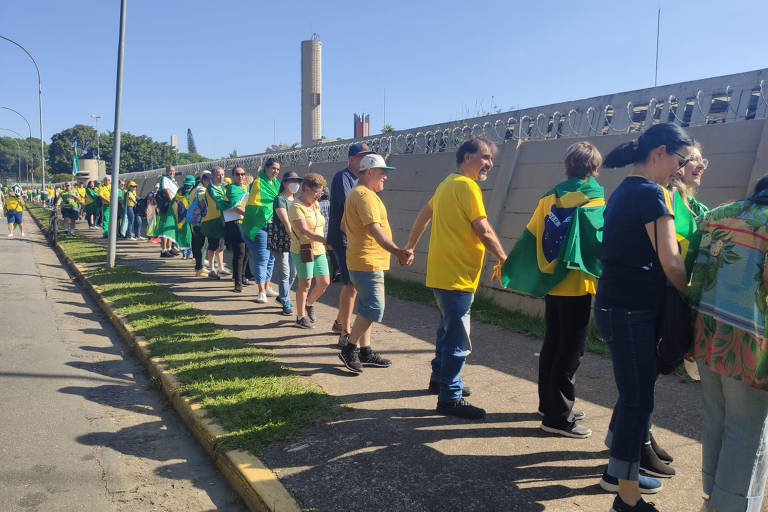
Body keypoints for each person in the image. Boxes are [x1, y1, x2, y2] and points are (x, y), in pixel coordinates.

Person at [594, 123, 694, 512]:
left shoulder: (624, 190)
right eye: (680, 160)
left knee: (632, 393)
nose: (679, 169)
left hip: (616, 305)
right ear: (661, 153)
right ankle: (627, 498)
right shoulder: (652, 194)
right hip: (630, 310)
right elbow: (671, 262)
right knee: (638, 399)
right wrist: (693, 297)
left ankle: (619, 474)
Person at [501, 141, 605, 439]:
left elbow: (532, 235)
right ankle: (559, 418)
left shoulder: (549, 197)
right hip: (577, 282)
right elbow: (597, 240)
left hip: (552, 282)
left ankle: (549, 405)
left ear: (567, 166)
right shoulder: (595, 196)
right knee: (571, 350)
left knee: (552, 344)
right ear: (594, 168)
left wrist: (512, 266)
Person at [404, 136, 507, 420]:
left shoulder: (446, 184)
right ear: (466, 157)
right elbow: (483, 229)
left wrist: (410, 245)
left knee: (446, 330)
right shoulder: (466, 186)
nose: (489, 163)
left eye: (490, 158)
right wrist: (504, 259)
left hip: (442, 273)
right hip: (457, 275)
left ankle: (440, 379)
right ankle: (449, 397)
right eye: (484, 157)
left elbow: (424, 215)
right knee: (458, 340)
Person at [688, 176, 768, 512]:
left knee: (717, 418)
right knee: (747, 430)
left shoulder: (719, 214)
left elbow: (697, 269)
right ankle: (730, 506)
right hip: (751, 344)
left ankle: (713, 496)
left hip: (706, 330)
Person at [337, 154, 411, 373]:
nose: (385, 177)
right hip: (367, 261)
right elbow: (374, 229)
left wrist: (358, 239)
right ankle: (349, 349)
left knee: (366, 306)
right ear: (369, 172)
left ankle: (365, 351)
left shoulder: (359, 194)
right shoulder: (364, 196)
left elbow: (343, 226)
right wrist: (398, 251)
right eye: (382, 172)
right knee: (374, 307)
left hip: (364, 259)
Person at [328, 143, 374, 342]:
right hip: (344, 238)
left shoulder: (363, 180)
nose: (364, 159)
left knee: (351, 285)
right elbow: (350, 205)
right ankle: (345, 333)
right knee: (351, 285)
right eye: (361, 156)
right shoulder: (343, 177)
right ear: (351, 159)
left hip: (357, 239)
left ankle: (340, 322)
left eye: (367, 156)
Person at [289, 173, 330, 328]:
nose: (319, 196)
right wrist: (327, 241)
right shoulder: (296, 206)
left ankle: (310, 303)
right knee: (305, 283)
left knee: (324, 282)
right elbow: (305, 231)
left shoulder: (315, 204)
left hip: (319, 249)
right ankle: (300, 317)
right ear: (306, 189)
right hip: (303, 250)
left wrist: (324, 242)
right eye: (316, 192)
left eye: (320, 192)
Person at [242, 157, 281, 303]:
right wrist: (268, 216)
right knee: (262, 258)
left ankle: (267, 286)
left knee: (271, 258)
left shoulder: (276, 183)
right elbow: (257, 204)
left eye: (278, 169)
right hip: (259, 225)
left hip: (272, 225)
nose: (276, 171)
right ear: (266, 168)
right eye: (273, 168)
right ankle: (261, 292)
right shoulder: (259, 182)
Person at [268, 171, 303, 315]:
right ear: (284, 183)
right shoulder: (279, 199)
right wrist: (295, 237)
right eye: (292, 181)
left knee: (293, 272)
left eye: (297, 181)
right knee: (285, 272)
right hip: (281, 239)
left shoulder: (297, 200)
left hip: (294, 240)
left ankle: (282, 296)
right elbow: (286, 222)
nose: (295, 184)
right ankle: (286, 302)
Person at [223, 166, 250, 292]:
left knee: (246, 253)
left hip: (246, 223)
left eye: (242, 174)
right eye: (237, 174)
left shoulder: (245, 188)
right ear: (233, 176)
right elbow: (236, 208)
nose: (240, 176)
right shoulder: (233, 189)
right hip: (235, 224)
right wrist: (252, 215)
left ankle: (242, 276)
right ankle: (237, 282)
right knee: (239, 253)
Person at [200, 166, 229, 279]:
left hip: (221, 220)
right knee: (213, 246)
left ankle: (221, 267)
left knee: (221, 246)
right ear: (213, 176)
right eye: (218, 175)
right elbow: (220, 201)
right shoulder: (211, 189)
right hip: (212, 221)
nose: (221, 177)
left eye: (222, 174)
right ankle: (212, 269)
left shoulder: (222, 187)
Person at [188, 171, 211, 277]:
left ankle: (200, 267)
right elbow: (204, 205)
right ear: (204, 181)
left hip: (196, 221)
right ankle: (199, 268)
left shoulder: (196, 189)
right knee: (200, 245)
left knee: (201, 244)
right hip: (199, 221)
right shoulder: (202, 190)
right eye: (208, 180)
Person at [156, 166, 180, 257]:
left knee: (171, 227)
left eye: (173, 171)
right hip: (168, 205)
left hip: (173, 205)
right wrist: (173, 202)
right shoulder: (165, 178)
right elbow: (167, 191)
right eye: (170, 170)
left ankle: (169, 248)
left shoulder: (173, 180)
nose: (172, 172)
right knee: (166, 227)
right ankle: (164, 250)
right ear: (166, 171)